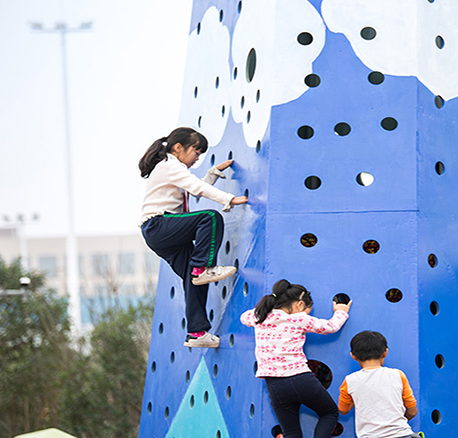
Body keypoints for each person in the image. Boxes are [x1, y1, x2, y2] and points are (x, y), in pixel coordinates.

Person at [139, 127, 247, 348]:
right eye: (196, 152)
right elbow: (196, 187)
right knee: (210, 217)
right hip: (158, 225)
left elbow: (192, 188)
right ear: (178, 148)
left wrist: (213, 173)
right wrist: (230, 199)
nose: (197, 159)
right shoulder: (170, 165)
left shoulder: (172, 168)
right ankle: (203, 267)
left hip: (161, 233)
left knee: (194, 280)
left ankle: (197, 333)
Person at [241, 279, 352, 438]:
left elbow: (244, 318)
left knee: (291, 433)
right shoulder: (299, 319)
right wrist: (341, 312)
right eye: (307, 310)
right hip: (300, 379)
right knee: (329, 413)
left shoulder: (260, 316)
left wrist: (265, 309)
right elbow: (330, 327)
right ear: (300, 305)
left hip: (274, 386)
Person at [338, 331, 419, 438]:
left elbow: (343, 410)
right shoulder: (398, 375)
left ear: (353, 356)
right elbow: (412, 411)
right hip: (402, 434)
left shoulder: (350, 381)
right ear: (385, 352)